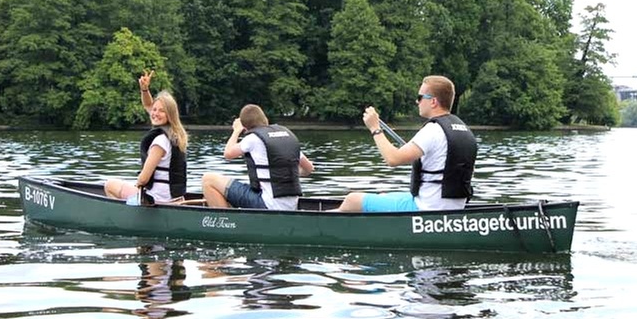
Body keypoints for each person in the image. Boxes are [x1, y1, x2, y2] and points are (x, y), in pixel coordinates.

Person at [336, 75, 477, 212]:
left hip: (427, 207)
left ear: (433, 101)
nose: (417, 102)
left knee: (352, 200)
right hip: (453, 206)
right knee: (383, 195)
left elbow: (392, 159)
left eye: (420, 97)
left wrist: (375, 128)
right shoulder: (464, 130)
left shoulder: (432, 130)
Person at [202, 104, 314, 210]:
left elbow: (228, 154)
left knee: (208, 180)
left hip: (267, 205)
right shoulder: (287, 137)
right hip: (291, 205)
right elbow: (309, 169)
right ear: (265, 119)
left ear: (245, 127)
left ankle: (226, 222)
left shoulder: (253, 139)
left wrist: (236, 131)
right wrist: (286, 174)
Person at [104, 85, 188, 205]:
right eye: (154, 110)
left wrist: (137, 186)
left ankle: (124, 218)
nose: (155, 113)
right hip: (175, 197)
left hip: (158, 198)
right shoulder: (176, 136)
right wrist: (144, 90)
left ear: (169, 115)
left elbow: (143, 179)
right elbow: (148, 105)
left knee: (110, 185)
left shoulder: (160, 142)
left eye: (161, 110)